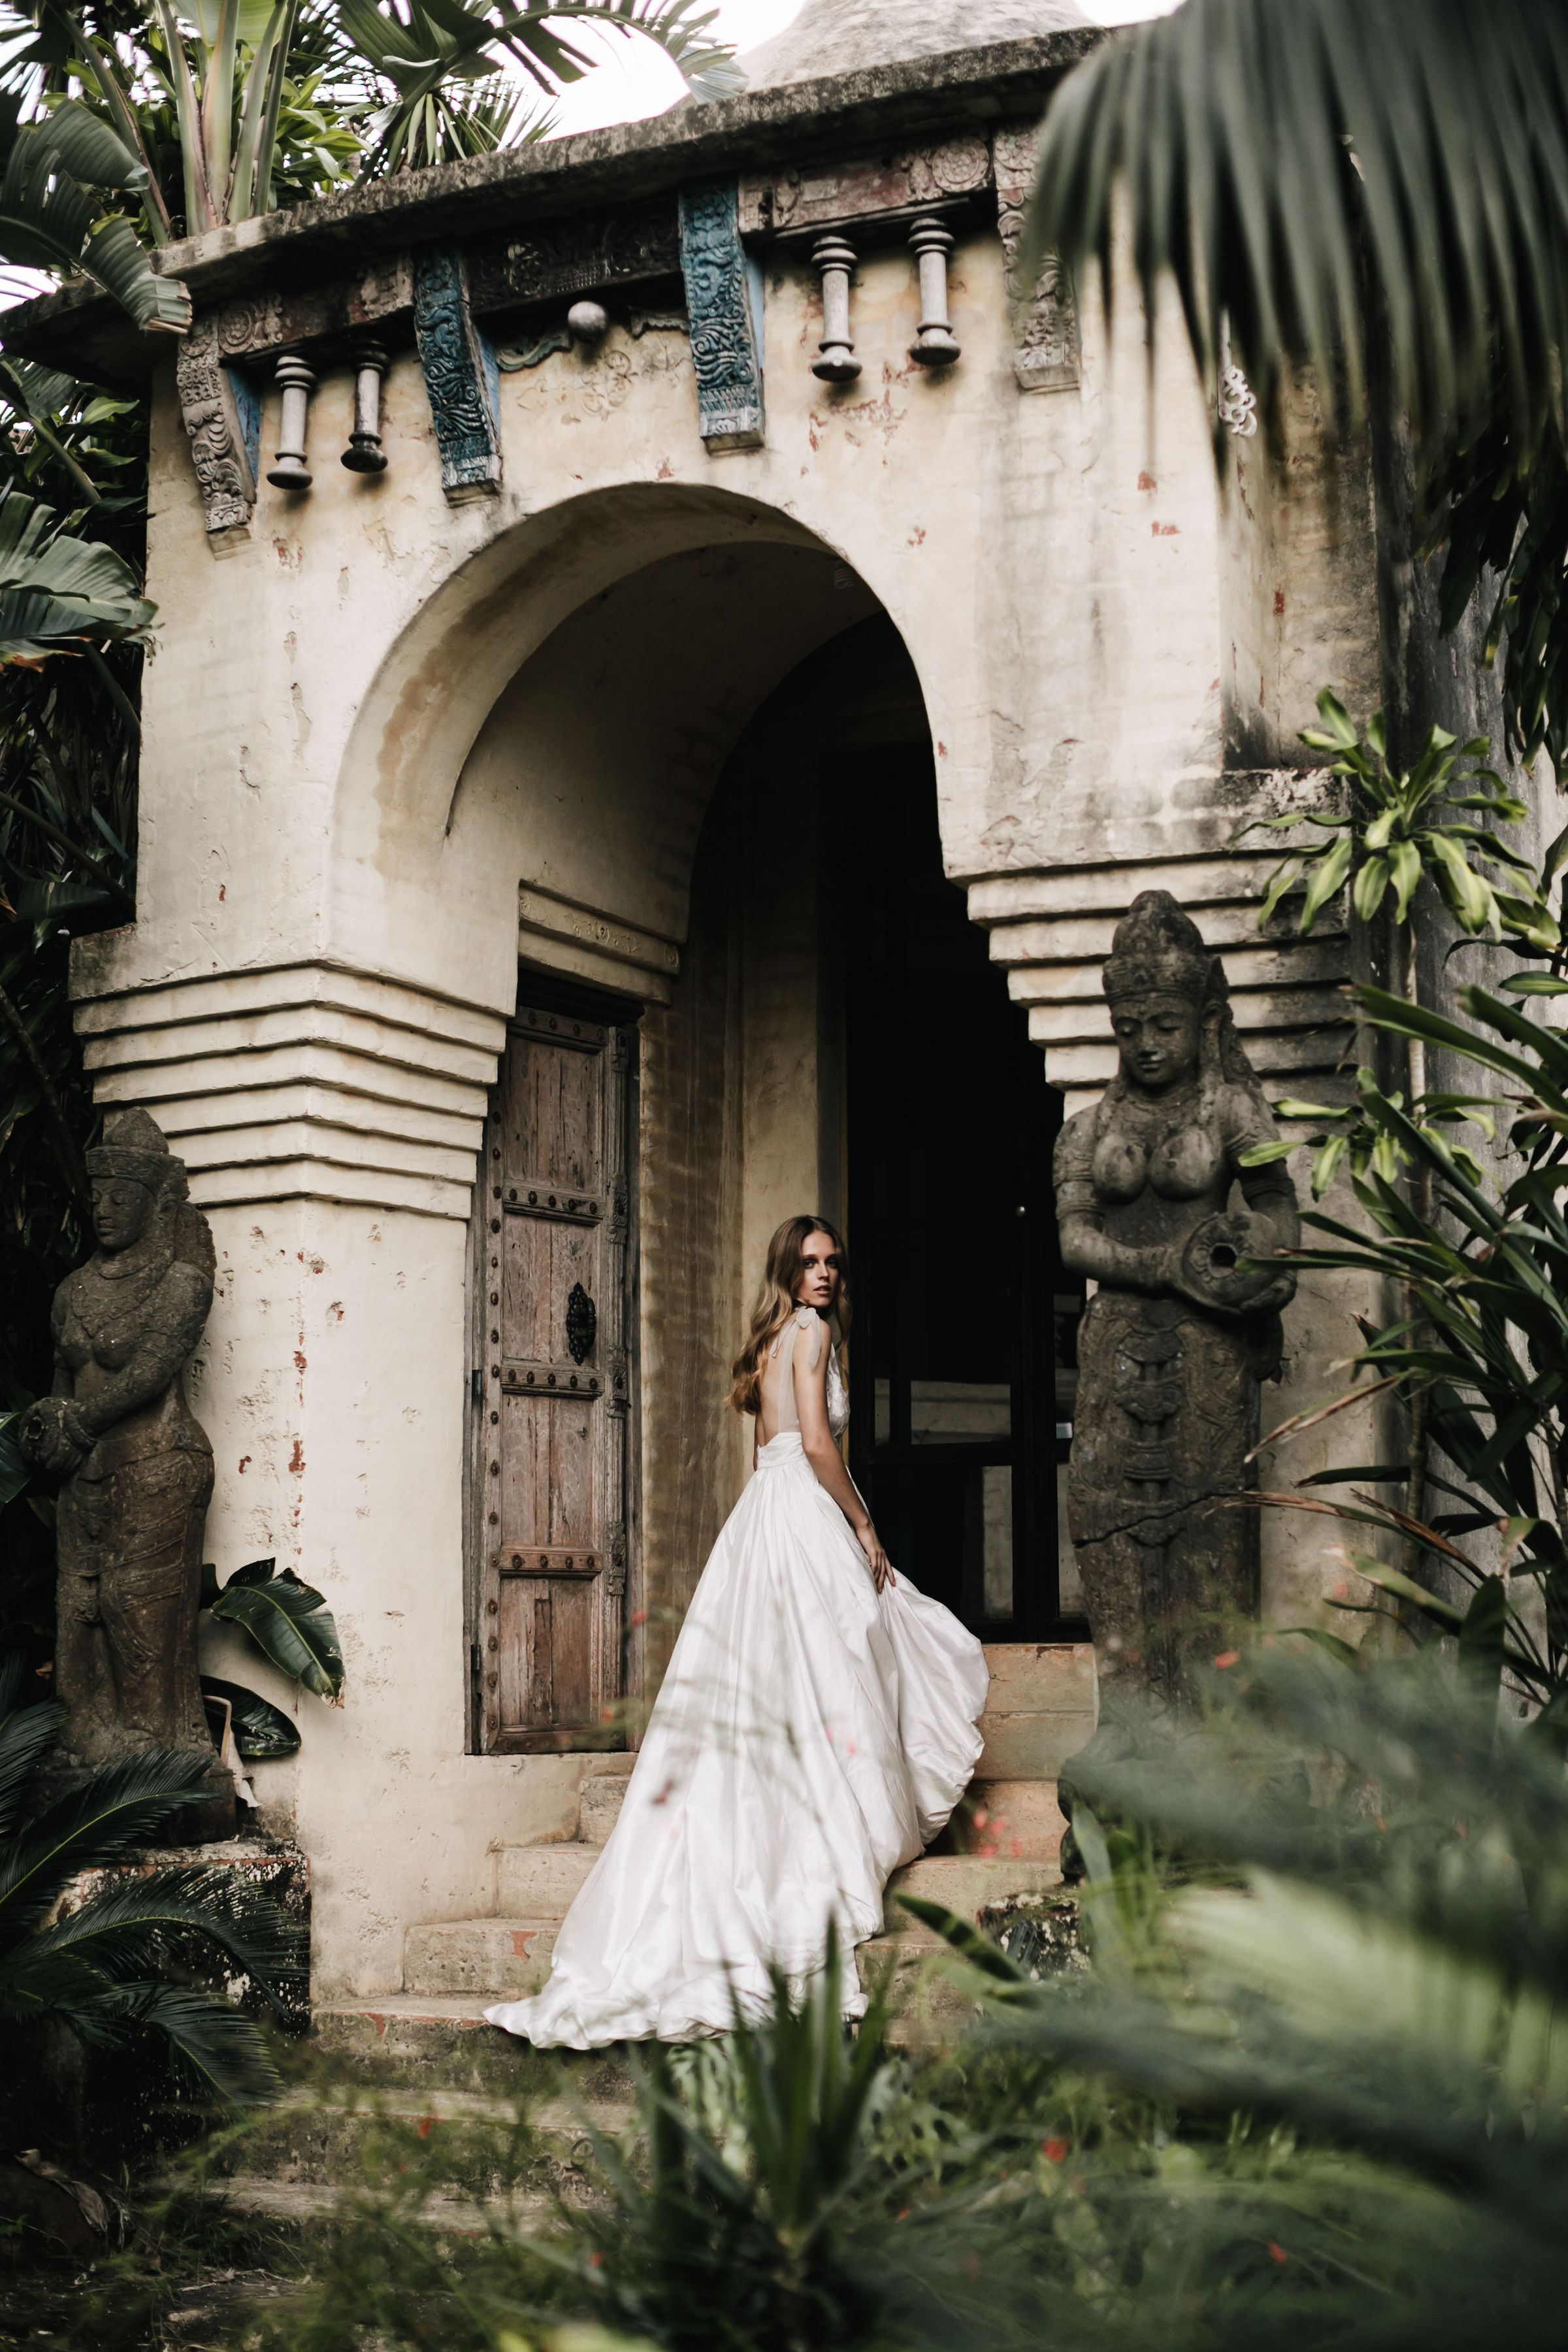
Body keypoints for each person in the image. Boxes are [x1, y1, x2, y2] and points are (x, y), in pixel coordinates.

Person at [485, 1214, 988, 2047]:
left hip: (763, 1513)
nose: (825, 1274)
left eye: (832, 1263)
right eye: (810, 1262)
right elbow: (817, 1445)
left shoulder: (771, 1341)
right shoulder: (812, 1333)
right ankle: (819, 1835)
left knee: (798, 1669)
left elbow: (771, 1449)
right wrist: (863, 1524)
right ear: (788, 1271)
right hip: (802, 1509)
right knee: (836, 1658)